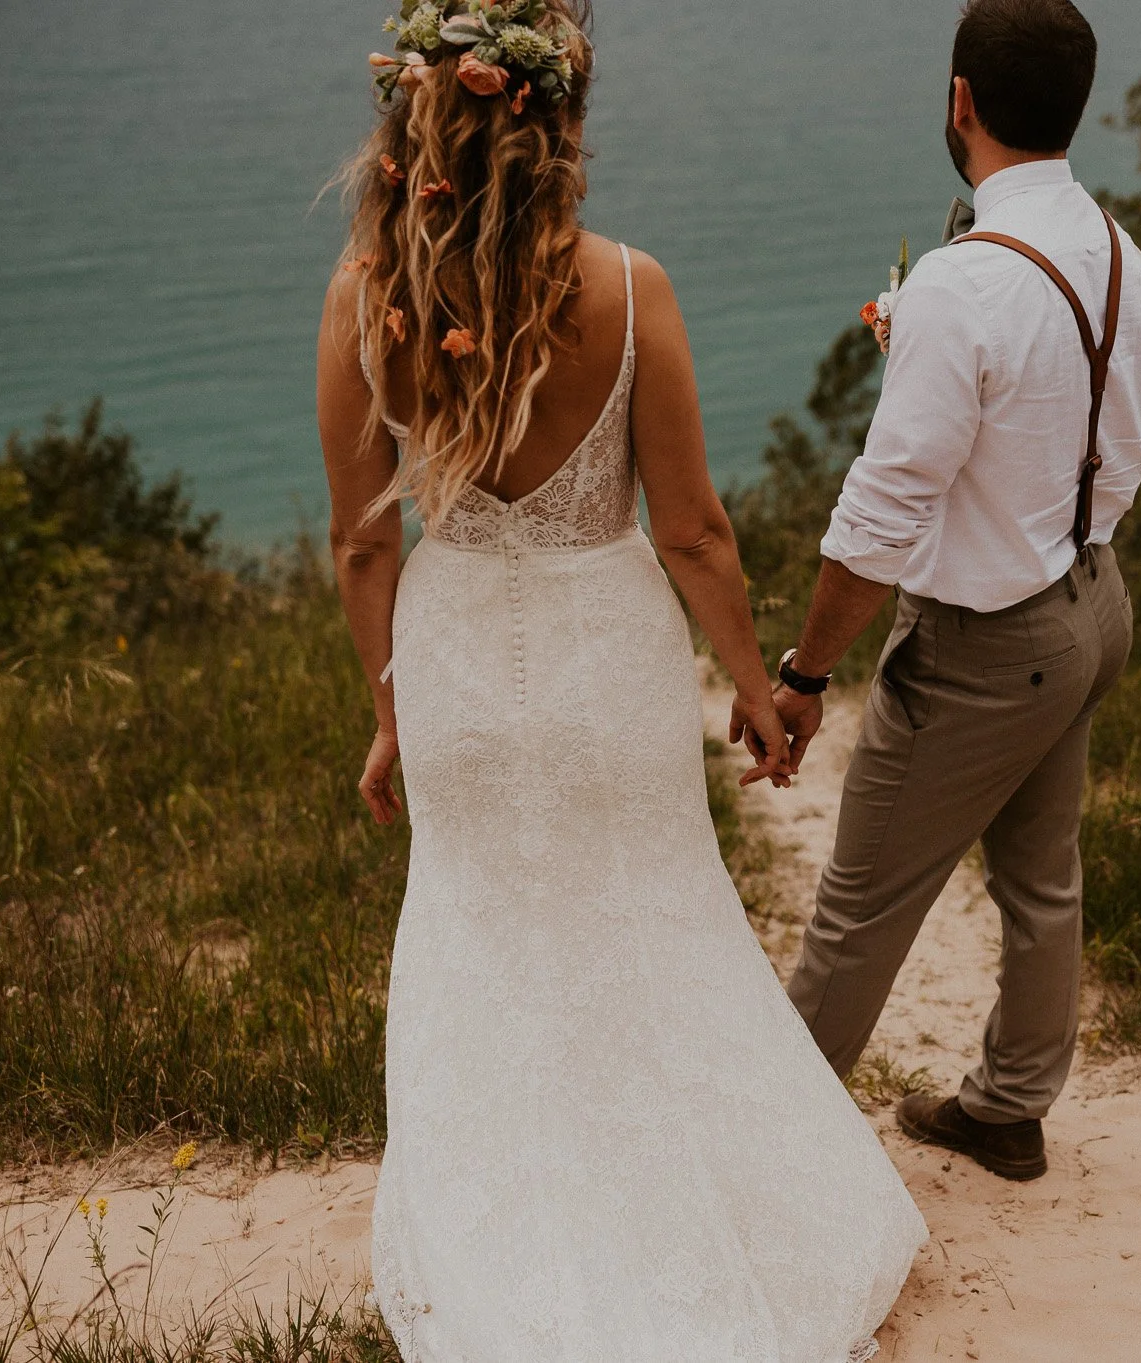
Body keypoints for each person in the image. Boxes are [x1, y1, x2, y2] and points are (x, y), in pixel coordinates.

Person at [315, 3, 925, 1357]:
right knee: (654, 922)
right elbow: (694, 528)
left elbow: (364, 542)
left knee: (477, 934)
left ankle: (504, 1242)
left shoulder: (366, 299)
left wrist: (389, 706)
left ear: (419, 128)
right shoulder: (630, 289)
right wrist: (760, 686)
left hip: (460, 655)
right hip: (610, 657)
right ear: (559, 126)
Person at [740, 0, 1141, 1184]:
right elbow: (1112, 447)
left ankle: (767, 1160)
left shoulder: (960, 286)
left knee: (858, 908)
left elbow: (878, 519)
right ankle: (1007, 1106)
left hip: (986, 647)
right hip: (1092, 601)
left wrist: (804, 671)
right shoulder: (1120, 252)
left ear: (960, 101)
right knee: (1042, 877)